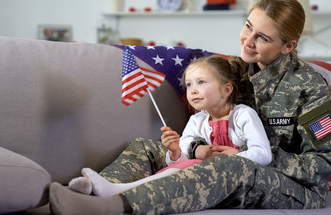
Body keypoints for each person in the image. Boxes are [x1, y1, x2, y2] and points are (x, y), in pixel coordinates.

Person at [49, 0, 331, 215]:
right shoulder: (234, 70)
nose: (248, 41)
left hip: (296, 189)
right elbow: (202, 108)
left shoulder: (309, 85)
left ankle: (117, 206)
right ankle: (95, 191)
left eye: (262, 37)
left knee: (230, 167)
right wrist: (192, 149)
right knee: (147, 147)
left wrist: (247, 154)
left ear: (288, 46)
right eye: (248, 27)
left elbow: (324, 163)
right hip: (228, 160)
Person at [66, 56, 272, 197]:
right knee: (170, 161)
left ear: (227, 89)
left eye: (201, 82)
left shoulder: (243, 115)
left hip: (231, 181)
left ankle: (116, 190)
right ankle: (101, 184)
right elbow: (181, 158)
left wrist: (233, 156)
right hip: (197, 173)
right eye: (189, 84)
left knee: (185, 170)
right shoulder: (197, 120)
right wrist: (174, 151)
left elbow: (263, 154)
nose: (193, 90)